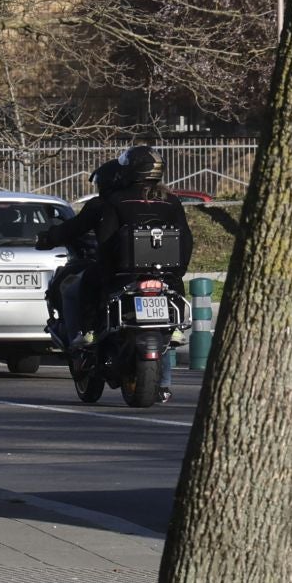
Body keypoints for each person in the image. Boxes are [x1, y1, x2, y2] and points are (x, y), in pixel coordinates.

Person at [39, 145, 194, 403]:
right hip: (165, 274)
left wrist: (109, 266)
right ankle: (176, 327)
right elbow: (185, 240)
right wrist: (177, 270)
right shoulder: (171, 201)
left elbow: (107, 238)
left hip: (122, 274)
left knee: (87, 283)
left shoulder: (116, 201)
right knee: (174, 286)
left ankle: (88, 331)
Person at [45, 156, 126, 352]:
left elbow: (74, 228)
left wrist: (47, 238)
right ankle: (164, 379)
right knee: (161, 330)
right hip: (158, 270)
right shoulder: (157, 201)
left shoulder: (103, 204)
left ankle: (82, 336)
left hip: (114, 268)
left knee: (70, 290)